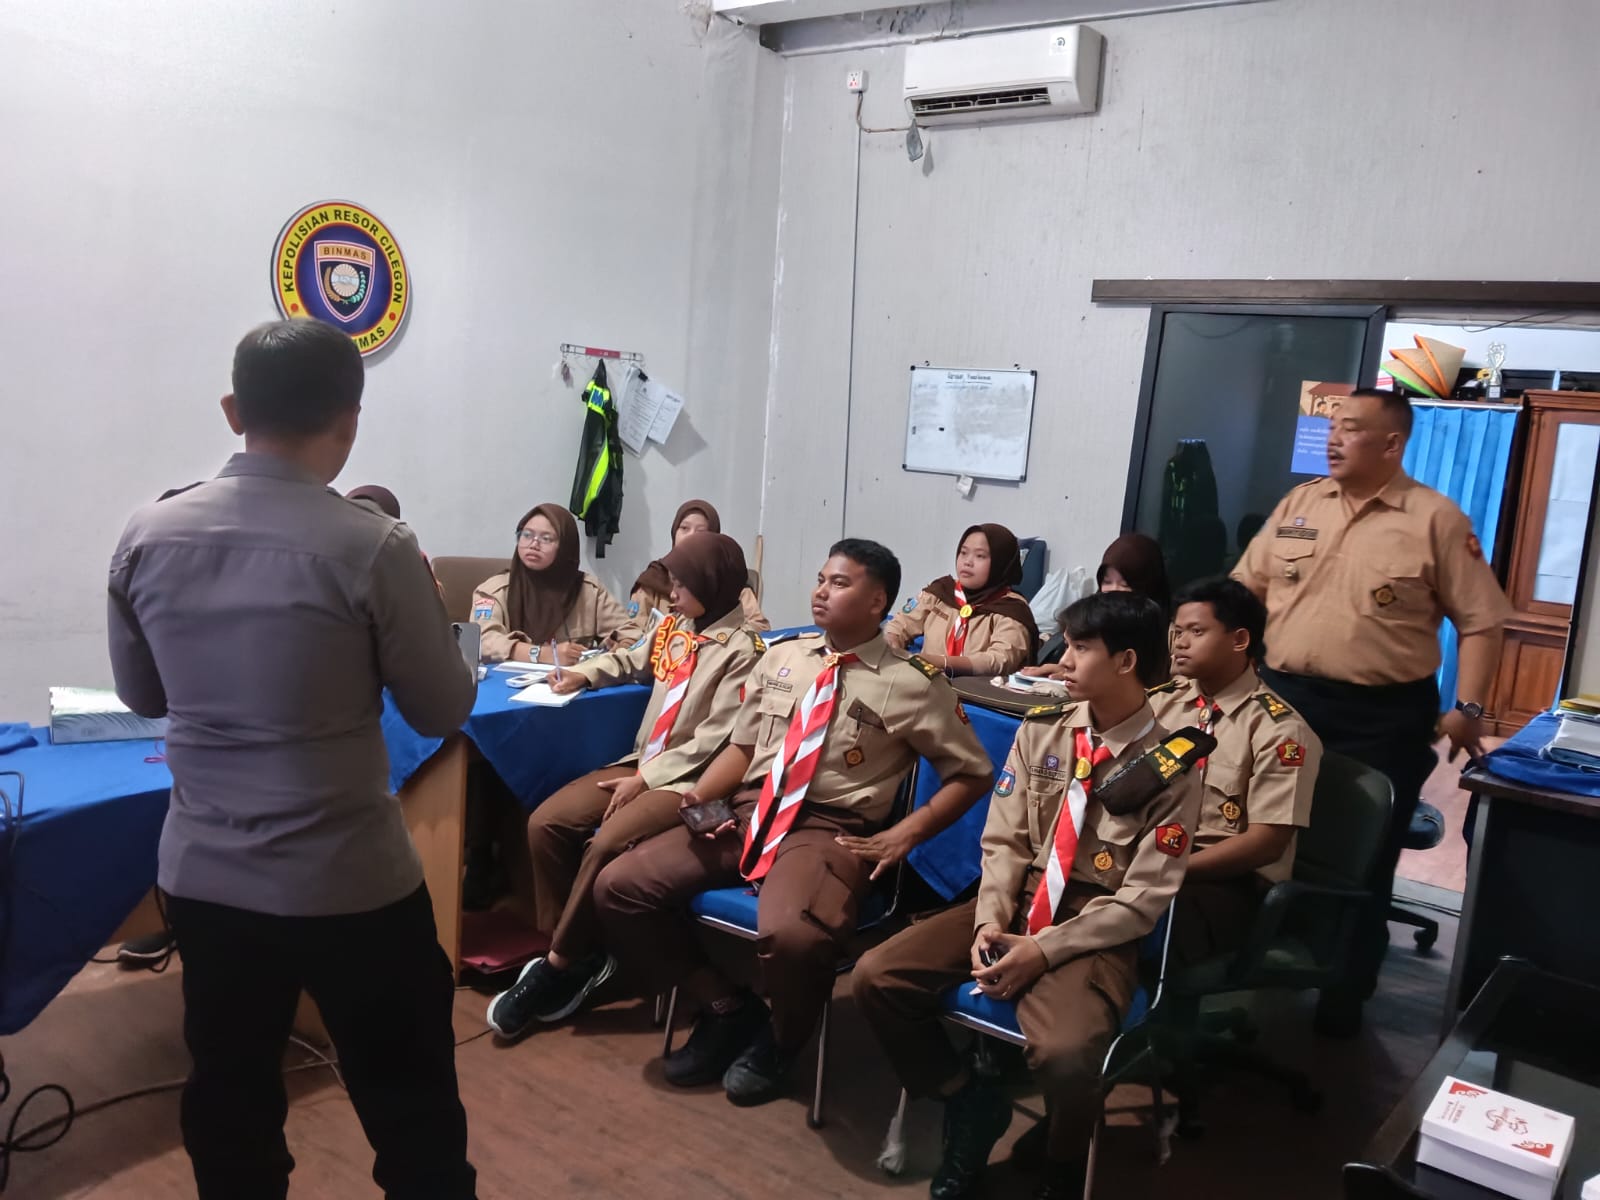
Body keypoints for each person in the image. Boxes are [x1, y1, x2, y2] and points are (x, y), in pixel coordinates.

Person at [105, 319, 478, 1200]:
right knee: (412, 1112)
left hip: (210, 878)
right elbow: (440, 708)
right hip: (351, 882)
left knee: (230, 1105)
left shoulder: (147, 533)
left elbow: (141, 696)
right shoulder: (375, 545)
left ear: (233, 411)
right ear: (350, 420)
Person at [593, 538, 994, 1106]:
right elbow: (743, 747)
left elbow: (973, 773)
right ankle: (726, 1007)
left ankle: (783, 1040)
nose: (821, 591)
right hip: (749, 811)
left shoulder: (913, 683)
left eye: (840, 583)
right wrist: (701, 800)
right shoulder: (783, 657)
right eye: (821, 579)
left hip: (827, 828)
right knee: (619, 887)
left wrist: (908, 833)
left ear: (878, 601)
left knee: (795, 936)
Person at [852, 591, 1202, 1200]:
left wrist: (1042, 951)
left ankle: (1063, 1164)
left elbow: (1143, 899)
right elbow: (1004, 842)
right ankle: (967, 1099)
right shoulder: (1044, 730)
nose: (1063, 660)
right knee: (877, 977)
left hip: (1092, 923)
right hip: (1016, 900)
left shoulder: (1173, 765)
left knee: (1068, 1054)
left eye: (1081, 648)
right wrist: (989, 920)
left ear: (1125, 662)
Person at [1233, 386, 1511, 1034]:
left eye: (1351, 428)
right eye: (1332, 426)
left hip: (1380, 716)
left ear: (1392, 444)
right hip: (1283, 701)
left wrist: (1468, 707)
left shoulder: (1434, 519)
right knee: (1263, 836)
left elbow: (1482, 621)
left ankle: (1344, 990)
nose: (1334, 438)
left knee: (1364, 852)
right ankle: (1258, 965)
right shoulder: (1300, 504)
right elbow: (1243, 591)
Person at [485, 533, 766, 1039]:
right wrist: (583, 674)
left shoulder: (743, 651)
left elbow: (717, 740)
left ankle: (556, 965)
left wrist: (645, 779)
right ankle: (584, 952)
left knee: (607, 843)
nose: (672, 593)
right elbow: (632, 658)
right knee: (546, 824)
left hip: (687, 778)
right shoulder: (676, 626)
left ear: (712, 584)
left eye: (682, 585)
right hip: (642, 761)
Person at [1149, 577, 1321, 964]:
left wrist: (1171, 870)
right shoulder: (1162, 704)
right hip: (1154, 858)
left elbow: (1266, 843)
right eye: (1177, 631)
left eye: (1196, 631)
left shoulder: (1279, 731)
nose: (1180, 643)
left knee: (1127, 919)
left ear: (1239, 640)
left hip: (1226, 884)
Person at [471, 502, 629, 665]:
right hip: (506, 679)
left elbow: (630, 634)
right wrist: (541, 654)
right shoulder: (494, 591)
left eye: (546, 539)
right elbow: (482, 641)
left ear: (565, 546)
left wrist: (621, 648)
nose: (533, 545)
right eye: (527, 535)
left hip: (572, 678)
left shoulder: (588, 591)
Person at [607, 499, 768, 648]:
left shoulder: (729, 583)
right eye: (684, 528)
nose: (690, 536)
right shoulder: (652, 579)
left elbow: (760, 629)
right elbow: (631, 630)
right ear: (674, 532)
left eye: (701, 531)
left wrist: (717, 635)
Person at [884, 523, 1039, 675]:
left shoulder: (1011, 609)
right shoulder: (940, 592)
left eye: (980, 556)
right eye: (963, 553)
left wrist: (942, 663)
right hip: (926, 682)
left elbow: (1001, 660)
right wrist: (891, 640)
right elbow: (900, 624)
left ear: (1000, 563)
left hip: (976, 689)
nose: (967, 562)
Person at [1025, 531, 1171, 680]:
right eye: (1107, 582)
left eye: (1125, 584)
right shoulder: (1087, 623)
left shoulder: (1166, 638)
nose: (1113, 591)